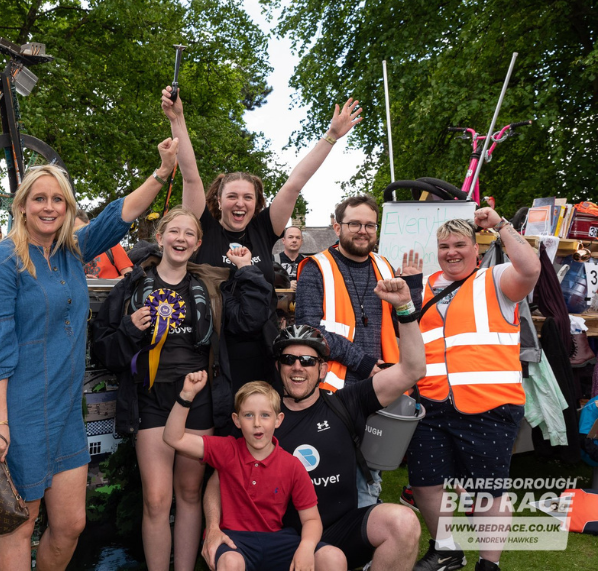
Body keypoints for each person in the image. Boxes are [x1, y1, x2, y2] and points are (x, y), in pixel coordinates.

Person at [0, 137, 179, 571]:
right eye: (39, 198)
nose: (49, 207)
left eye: (58, 200)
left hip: (65, 409)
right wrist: (0, 422)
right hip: (20, 410)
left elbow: (119, 215)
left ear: (66, 207)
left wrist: (163, 170)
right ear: (21, 206)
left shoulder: (71, 250)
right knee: (19, 526)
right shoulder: (3, 262)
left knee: (71, 524)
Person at [203, 277, 426, 571]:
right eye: (289, 359)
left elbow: (413, 369)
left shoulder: (348, 401)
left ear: (322, 368)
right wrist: (213, 528)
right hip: (277, 540)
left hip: (338, 531)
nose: (298, 367)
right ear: (278, 366)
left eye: (308, 360)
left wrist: (404, 308)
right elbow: (219, 478)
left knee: (403, 522)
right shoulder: (258, 416)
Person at [92, 207, 273, 571]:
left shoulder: (211, 286)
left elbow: (251, 319)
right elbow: (102, 348)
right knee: (156, 500)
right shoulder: (133, 286)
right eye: (174, 232)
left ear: (198, 243)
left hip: (198, 398)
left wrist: (247, 270)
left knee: (189, 494)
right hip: (151, 398)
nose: (181, 239)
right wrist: (129, 328)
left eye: (189, 234)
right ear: (160, 238)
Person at [162, 86, 362, 390]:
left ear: (257, 203)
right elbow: (191, 175)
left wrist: (331, 137)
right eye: (232, 196)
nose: (240, 203)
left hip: (262, 349)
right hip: (214, 350)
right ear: (218, 199)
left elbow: (295, 183)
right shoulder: (204, 229)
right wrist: (178, 119)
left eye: (248, 197)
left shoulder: (263, 228)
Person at [410, 210, 540, 571]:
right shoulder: (424, 286)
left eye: (459, 245)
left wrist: (500, 226)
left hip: (490, 405)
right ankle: (447, 551)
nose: (451, 252)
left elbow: (530, 269)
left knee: (488, 493)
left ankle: (488, 563)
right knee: (425, 483)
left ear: (476, 251)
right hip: (433, 404)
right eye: (444, 246)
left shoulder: (497, 279)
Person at [294, 194, 422, 505]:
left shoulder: (384, 265)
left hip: (382, 386)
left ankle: (361, 538)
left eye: (369, 225)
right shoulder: (316, 267)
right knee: (327, 474)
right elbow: (311, 330)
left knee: (370, 473)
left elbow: (402, 321)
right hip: (332, 389)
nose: (362, 231)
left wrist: (413, 288)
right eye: (354, 224)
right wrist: (364, 363)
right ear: (336, 227)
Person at [165, 377, 324, 571]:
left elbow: (312, 519)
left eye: (265, 415)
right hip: (235, 541)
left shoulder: (292, 465)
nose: (257, 423)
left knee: (332, 557)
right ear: (236, 420)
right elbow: (173, 438)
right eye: (248, 415)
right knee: (230, 562)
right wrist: (186, 395)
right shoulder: (226, 449)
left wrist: (306, 547)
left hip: (277, 541)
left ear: (278, 419)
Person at [75, 210, 134, 279]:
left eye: (80, 229)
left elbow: (129, 275)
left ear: (88, 223)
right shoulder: (69, 254)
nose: (79, 235)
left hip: (110, 289)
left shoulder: (109, 244)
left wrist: (100, 283)